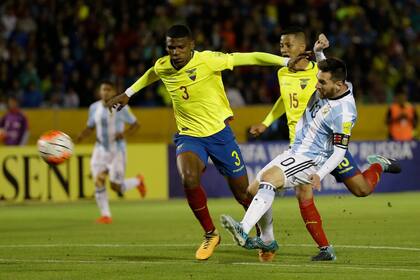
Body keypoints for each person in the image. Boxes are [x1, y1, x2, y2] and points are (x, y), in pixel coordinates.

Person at [106, 24, 304, 260]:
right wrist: (128, 93)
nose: (175, 52)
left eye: (180, 47)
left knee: (243, 193)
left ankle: (264, 235)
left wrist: (284, 62)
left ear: (192, 46)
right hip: (190, 135)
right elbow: (153, 72)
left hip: (220, 135)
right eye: (171, 47)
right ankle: (210, 234)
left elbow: (249, 57)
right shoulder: (164, 65)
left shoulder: (209, 60)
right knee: (188, 178)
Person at [221, 58, 402, 261]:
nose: (317, 86)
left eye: (322, 83)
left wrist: (319, 174)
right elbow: (328, 70)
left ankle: (243, 229)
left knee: (271, 179)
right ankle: (268, 239)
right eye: (318, 80)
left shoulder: (344, 113)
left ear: (338, 85)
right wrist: (319, 52)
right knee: (253, 190)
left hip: (315, 156)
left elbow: (339, 152)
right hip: (297, 150)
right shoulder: (336, 85)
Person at [76, 81, 147, 224]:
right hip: (100, 149)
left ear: (114, 92)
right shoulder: (94, 108)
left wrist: (124, 134)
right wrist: (81, 136)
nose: (106, 92)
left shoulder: (121, 107)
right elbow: (90, 127)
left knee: (116, 186)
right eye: (103, 89)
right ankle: (106, 215)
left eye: (109, 89)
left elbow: (136, 125)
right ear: (99, 92)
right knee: (99, 180)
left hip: (117, 150)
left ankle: (138, 181)